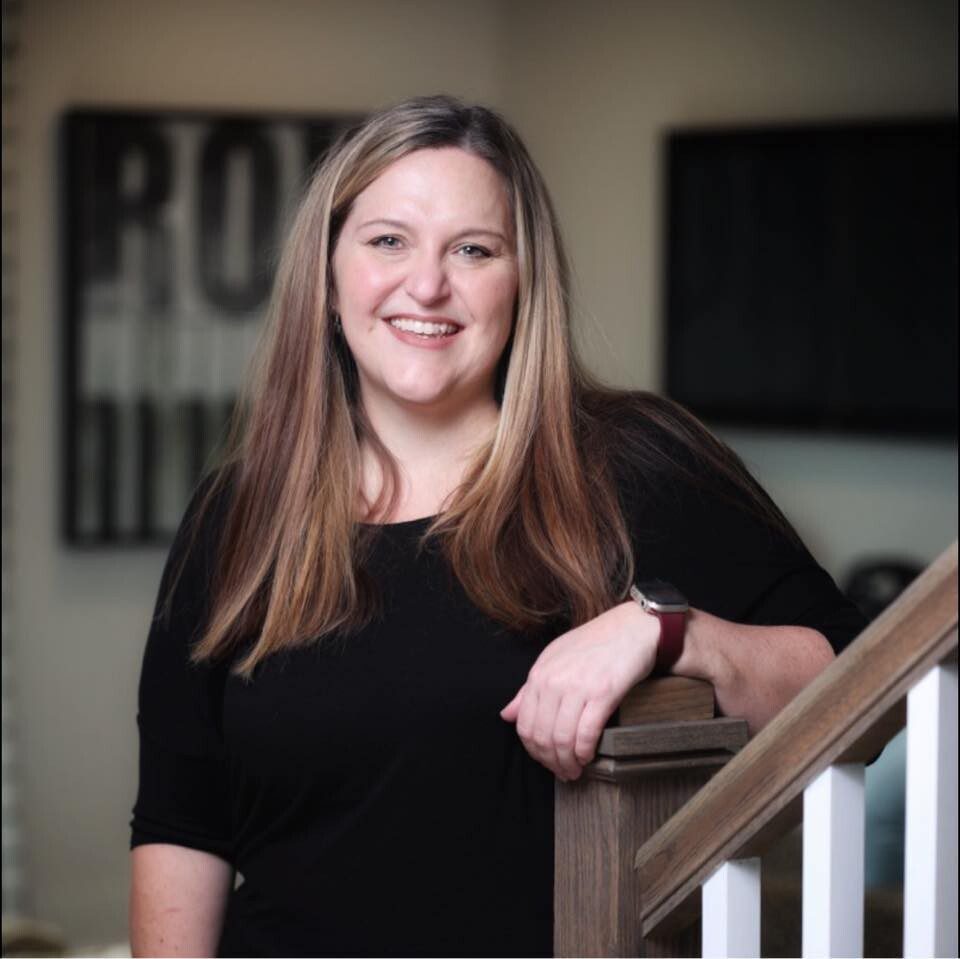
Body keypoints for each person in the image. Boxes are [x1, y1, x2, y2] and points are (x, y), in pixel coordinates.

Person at [129, 95, 864, 958]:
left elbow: (851, 677)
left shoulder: (630, 465)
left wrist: (670, 631)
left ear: (523, 283)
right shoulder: (238, 513)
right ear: (328, 277)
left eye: (473, 250)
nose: (428, 284)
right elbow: (183, 823)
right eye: (388, 240)